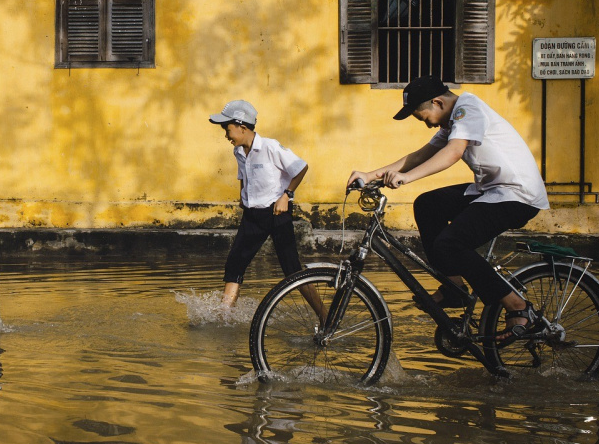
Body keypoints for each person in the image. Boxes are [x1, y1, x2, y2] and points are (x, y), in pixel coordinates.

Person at [347, 76, 550, 339]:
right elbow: (420, 155)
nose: (428, 125)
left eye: (424, 118)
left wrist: (406, 178)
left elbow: (453, 152)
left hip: (517, 195)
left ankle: (517, 306)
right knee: (428, 205)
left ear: (438, 102)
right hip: (492, 190)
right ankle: (454, 287)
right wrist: (370, 175)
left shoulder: (468, 109)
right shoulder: (453, 119)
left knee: (451, 244)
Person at [210, 99, 313, 311]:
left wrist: (286, 195)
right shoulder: (238, 151)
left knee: (292, 270)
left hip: (276, 214)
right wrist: (243, 195)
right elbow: (243, 174)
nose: (226, 136)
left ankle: (325, 315)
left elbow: (301, 167)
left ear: (242, 127)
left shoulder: (270, 147)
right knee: (234, 264)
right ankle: (224, 316)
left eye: (228, 130)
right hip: (252, 216)